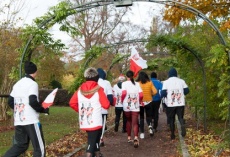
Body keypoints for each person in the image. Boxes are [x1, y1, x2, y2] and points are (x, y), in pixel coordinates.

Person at [4, 61, 49, 157]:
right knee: (39, 149)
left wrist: (20, 110)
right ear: (35, 72)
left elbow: (10, 101)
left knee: (20, 146)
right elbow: (32, 101)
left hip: (19, 120)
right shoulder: (33, 84)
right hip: (31, 121)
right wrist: (42, 109)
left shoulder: (17, 84)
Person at [69, 67, 110, 157]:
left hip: (85, 120)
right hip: (96, 119)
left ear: (86, 77)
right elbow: (106, 105)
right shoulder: (99, 89)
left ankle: (97, 153)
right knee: (91, 142)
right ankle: (91, 153)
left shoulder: (80, 90)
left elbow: (72, 103)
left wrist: (81, 111)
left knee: (95, 138)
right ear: (96, 77)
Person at [161, 67, 189, 140]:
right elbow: (187, 91)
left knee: (171, 119)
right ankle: (182, 123)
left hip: (171, 104)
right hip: (180, 103)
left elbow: (163, 93)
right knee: (180, 117)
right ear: (176, 74)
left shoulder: (166, 82)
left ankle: (172, 134)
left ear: (169, 74)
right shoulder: (181, 81)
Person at [121, 70, 143, 148]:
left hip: (126, 105)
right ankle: (136, 137)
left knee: (129, 121)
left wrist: (122, 100)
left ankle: (129, 137)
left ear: (126, 76)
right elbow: (141, 95)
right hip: (136, 106)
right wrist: (139, 101)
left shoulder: (124, 84)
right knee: (135, 123)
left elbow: (123, 93)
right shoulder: (137, 84)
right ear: (133, 76)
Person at [136, 71, 157, 139]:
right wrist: (151, 95)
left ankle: (142, 133)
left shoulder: (137, 84)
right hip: (149, 101)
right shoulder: (150, 83)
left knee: (141, 117)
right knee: (149, 116)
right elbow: (155, 91)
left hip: (140, 102)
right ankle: (150, 126)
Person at [97, 68, 113, 147]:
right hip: (103, 108)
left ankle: (95, 139)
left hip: (92, 109)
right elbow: (110, 97)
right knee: (102, 124)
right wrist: (109, 104)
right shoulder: (107, 83)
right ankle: (100, 138)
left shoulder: (92, 82)